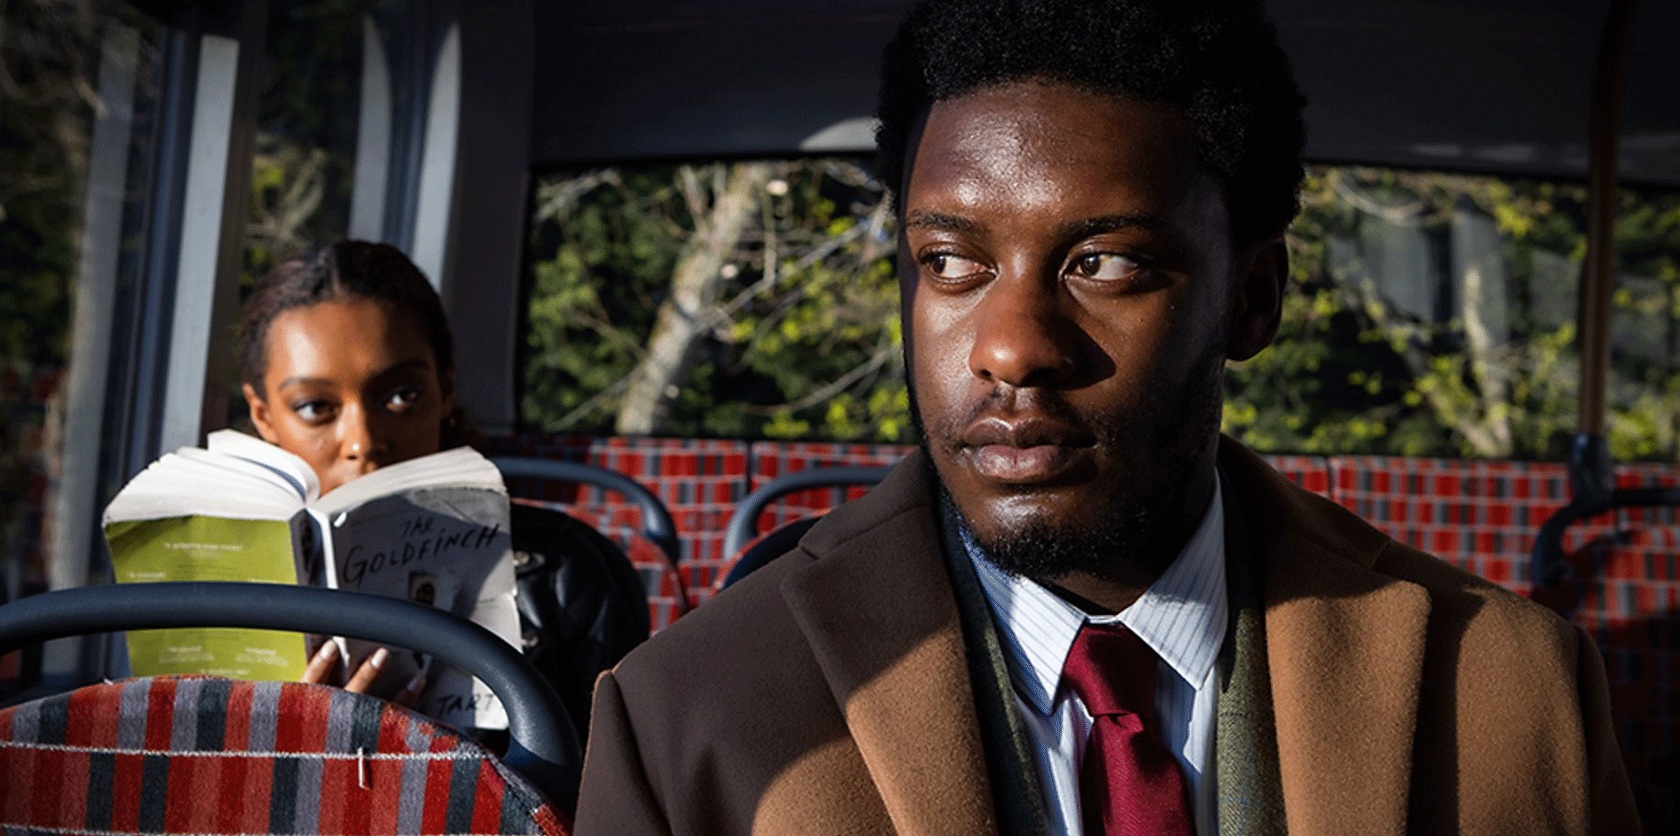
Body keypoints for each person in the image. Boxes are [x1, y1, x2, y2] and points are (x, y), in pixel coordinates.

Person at [572, 0, 1640, 834]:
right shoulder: (685, 714)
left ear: (1252, 299)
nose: (1010, 347)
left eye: (1106, 262)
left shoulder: (1515, 691)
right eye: (949, 262)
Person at [238, 239, 647, 742]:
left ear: (445, 390)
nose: (363, 442)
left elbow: (609, 783)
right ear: (264, 416)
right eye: (315, 408)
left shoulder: (567, 577)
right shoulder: (220, 596)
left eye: (400, 396)